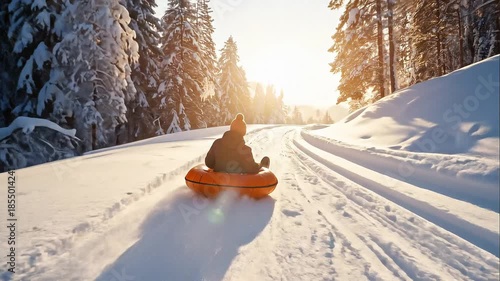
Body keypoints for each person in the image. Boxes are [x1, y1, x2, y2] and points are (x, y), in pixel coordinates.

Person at [205, 113, 270, 174]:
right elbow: (252, 170)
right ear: (243, 132)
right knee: (264, 161)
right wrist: (259, 167)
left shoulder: (217, 143)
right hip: (238, 184)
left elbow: (209, 163)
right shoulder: (244, 150)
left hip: (216, 181)